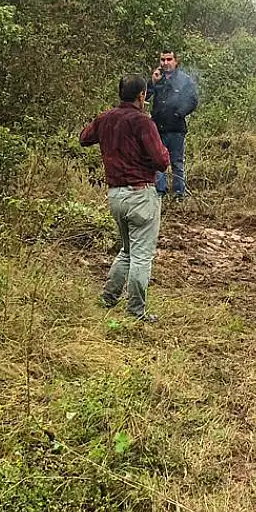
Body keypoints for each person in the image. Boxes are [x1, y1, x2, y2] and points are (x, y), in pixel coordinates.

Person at [80, 73, 172, 321]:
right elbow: (161, 161)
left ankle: (108, 298)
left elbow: (84, 138)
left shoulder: (106, 118)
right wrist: (165, 151)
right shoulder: (143, 122)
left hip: (115, 195)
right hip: (141, 194)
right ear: (142, 95)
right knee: (141, 255)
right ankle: (136, 311)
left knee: (127, 251)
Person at [147, 48, 199, 198]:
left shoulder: (184, 79)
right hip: (157, 128)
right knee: (157, 161)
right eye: (163, 60)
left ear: (176, 61)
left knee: (177, 161)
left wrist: (179, 113)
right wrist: (152, 82)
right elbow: (145, 96)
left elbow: (193, 101)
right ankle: (160, 192)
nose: (165, 63)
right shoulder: (157, 78)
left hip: (176, 129)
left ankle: (178, 194)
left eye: (169, 59)